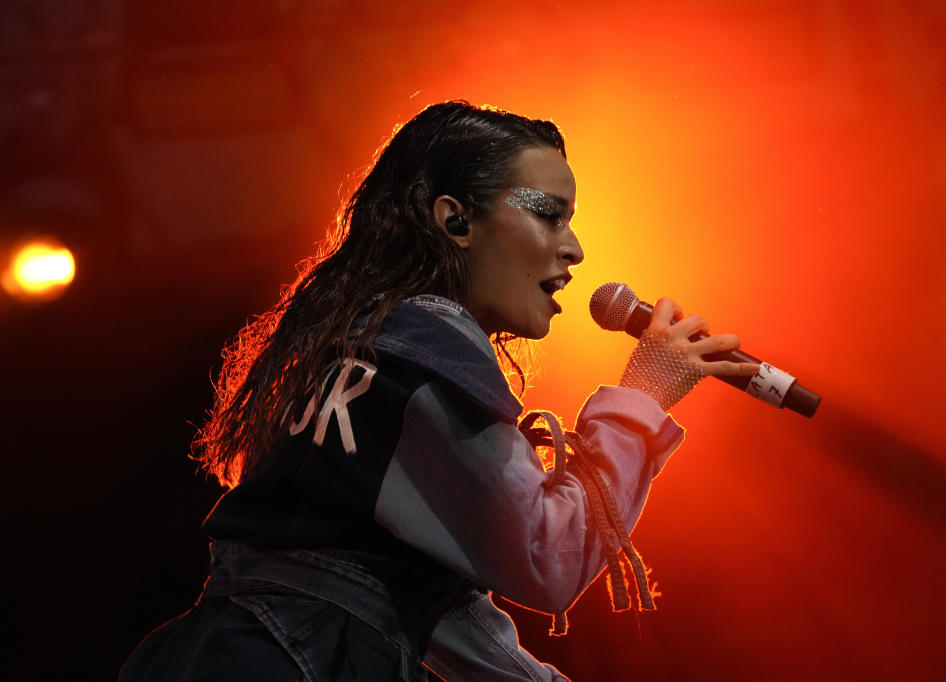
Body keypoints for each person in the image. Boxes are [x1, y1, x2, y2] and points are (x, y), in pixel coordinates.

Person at [119, 101, 758, 681]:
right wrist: (640, 400)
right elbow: (547, 557)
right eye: (548, 214)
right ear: (455, 221)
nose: (575, 249)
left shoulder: (362, 342)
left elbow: (432, 606)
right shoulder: (426, 351)